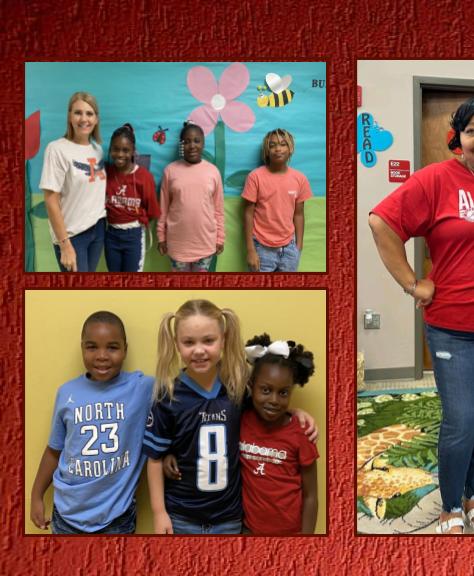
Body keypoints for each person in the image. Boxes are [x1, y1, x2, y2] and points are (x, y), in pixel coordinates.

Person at [368, 96, 474, 534]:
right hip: (455, 326)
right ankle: (449, 508)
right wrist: (411, 282)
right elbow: (381, 222)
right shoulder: (437, 179)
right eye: (471, 130)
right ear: (458, 139)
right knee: (462, 420)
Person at [143, 299, 317, 534]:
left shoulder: (237, 386)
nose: (199, 350)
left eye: (208, 340)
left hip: (229, 518)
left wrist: (294, 411)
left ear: (223, 339)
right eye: (188, 342)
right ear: (176, 343)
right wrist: (159, 512)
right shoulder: (168, 396)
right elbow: (154, 459)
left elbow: (268, 403)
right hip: (181, 517)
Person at [29, 312, 153, 533]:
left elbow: (181, 398)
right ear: (82, 348)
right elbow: (54, 450)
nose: (102, 356)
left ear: (125, 349)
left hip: (117, 517)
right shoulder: (67, 392)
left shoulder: (142, 388)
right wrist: (36, 495)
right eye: (92, 347)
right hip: (67, 515)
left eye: (112, 348)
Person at [236, 334, 320, 534]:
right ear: (250, 386)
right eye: (265, 390)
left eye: (283, 393)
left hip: (290, 533)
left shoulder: (302, 433)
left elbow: (311, 496)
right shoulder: (240, 420)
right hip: (248, 529)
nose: (274, 400)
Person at [40, 92, 107, 272]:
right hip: (72, 236)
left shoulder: (98, 150)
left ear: (96, 119)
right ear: (69, 116)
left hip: (98, 229)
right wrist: (64, 245)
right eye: (78, 113)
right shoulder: (57, 150)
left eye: (89, 114)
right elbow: (51, 201)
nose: (84, 119)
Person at [157, 122, 224, 272]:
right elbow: (163, 209)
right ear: (181, 145)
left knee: (199, 291)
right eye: (186, 141)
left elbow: (218, 209)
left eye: (196, 140)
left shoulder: (213, 172)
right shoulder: (170, 171)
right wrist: (161, 237)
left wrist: (220, 238)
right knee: (181, 290)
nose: (192, 145)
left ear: (203, 143)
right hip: (177, 245)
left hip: (205, 244)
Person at [242, 128, 312, 272]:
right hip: (261, 248)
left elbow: (299, 214)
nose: (277, 149)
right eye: (272, 145)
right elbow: (248, 214)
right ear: (267, 150)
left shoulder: (300, 179)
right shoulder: (255, 177)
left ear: (291, 148)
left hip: (290, 250)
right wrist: (251, 250)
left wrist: (299, 247)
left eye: (282, 144)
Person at [104, 124, 160, 272]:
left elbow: (153, 210)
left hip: (134, 236)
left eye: (125, 150)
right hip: (111, 235)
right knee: (114, 282)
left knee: (133, 284)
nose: (120, 154)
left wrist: (139, 220)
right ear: (110, 149)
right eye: (115, 149)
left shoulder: (144, 177)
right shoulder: (105, 174)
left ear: (133, 152)